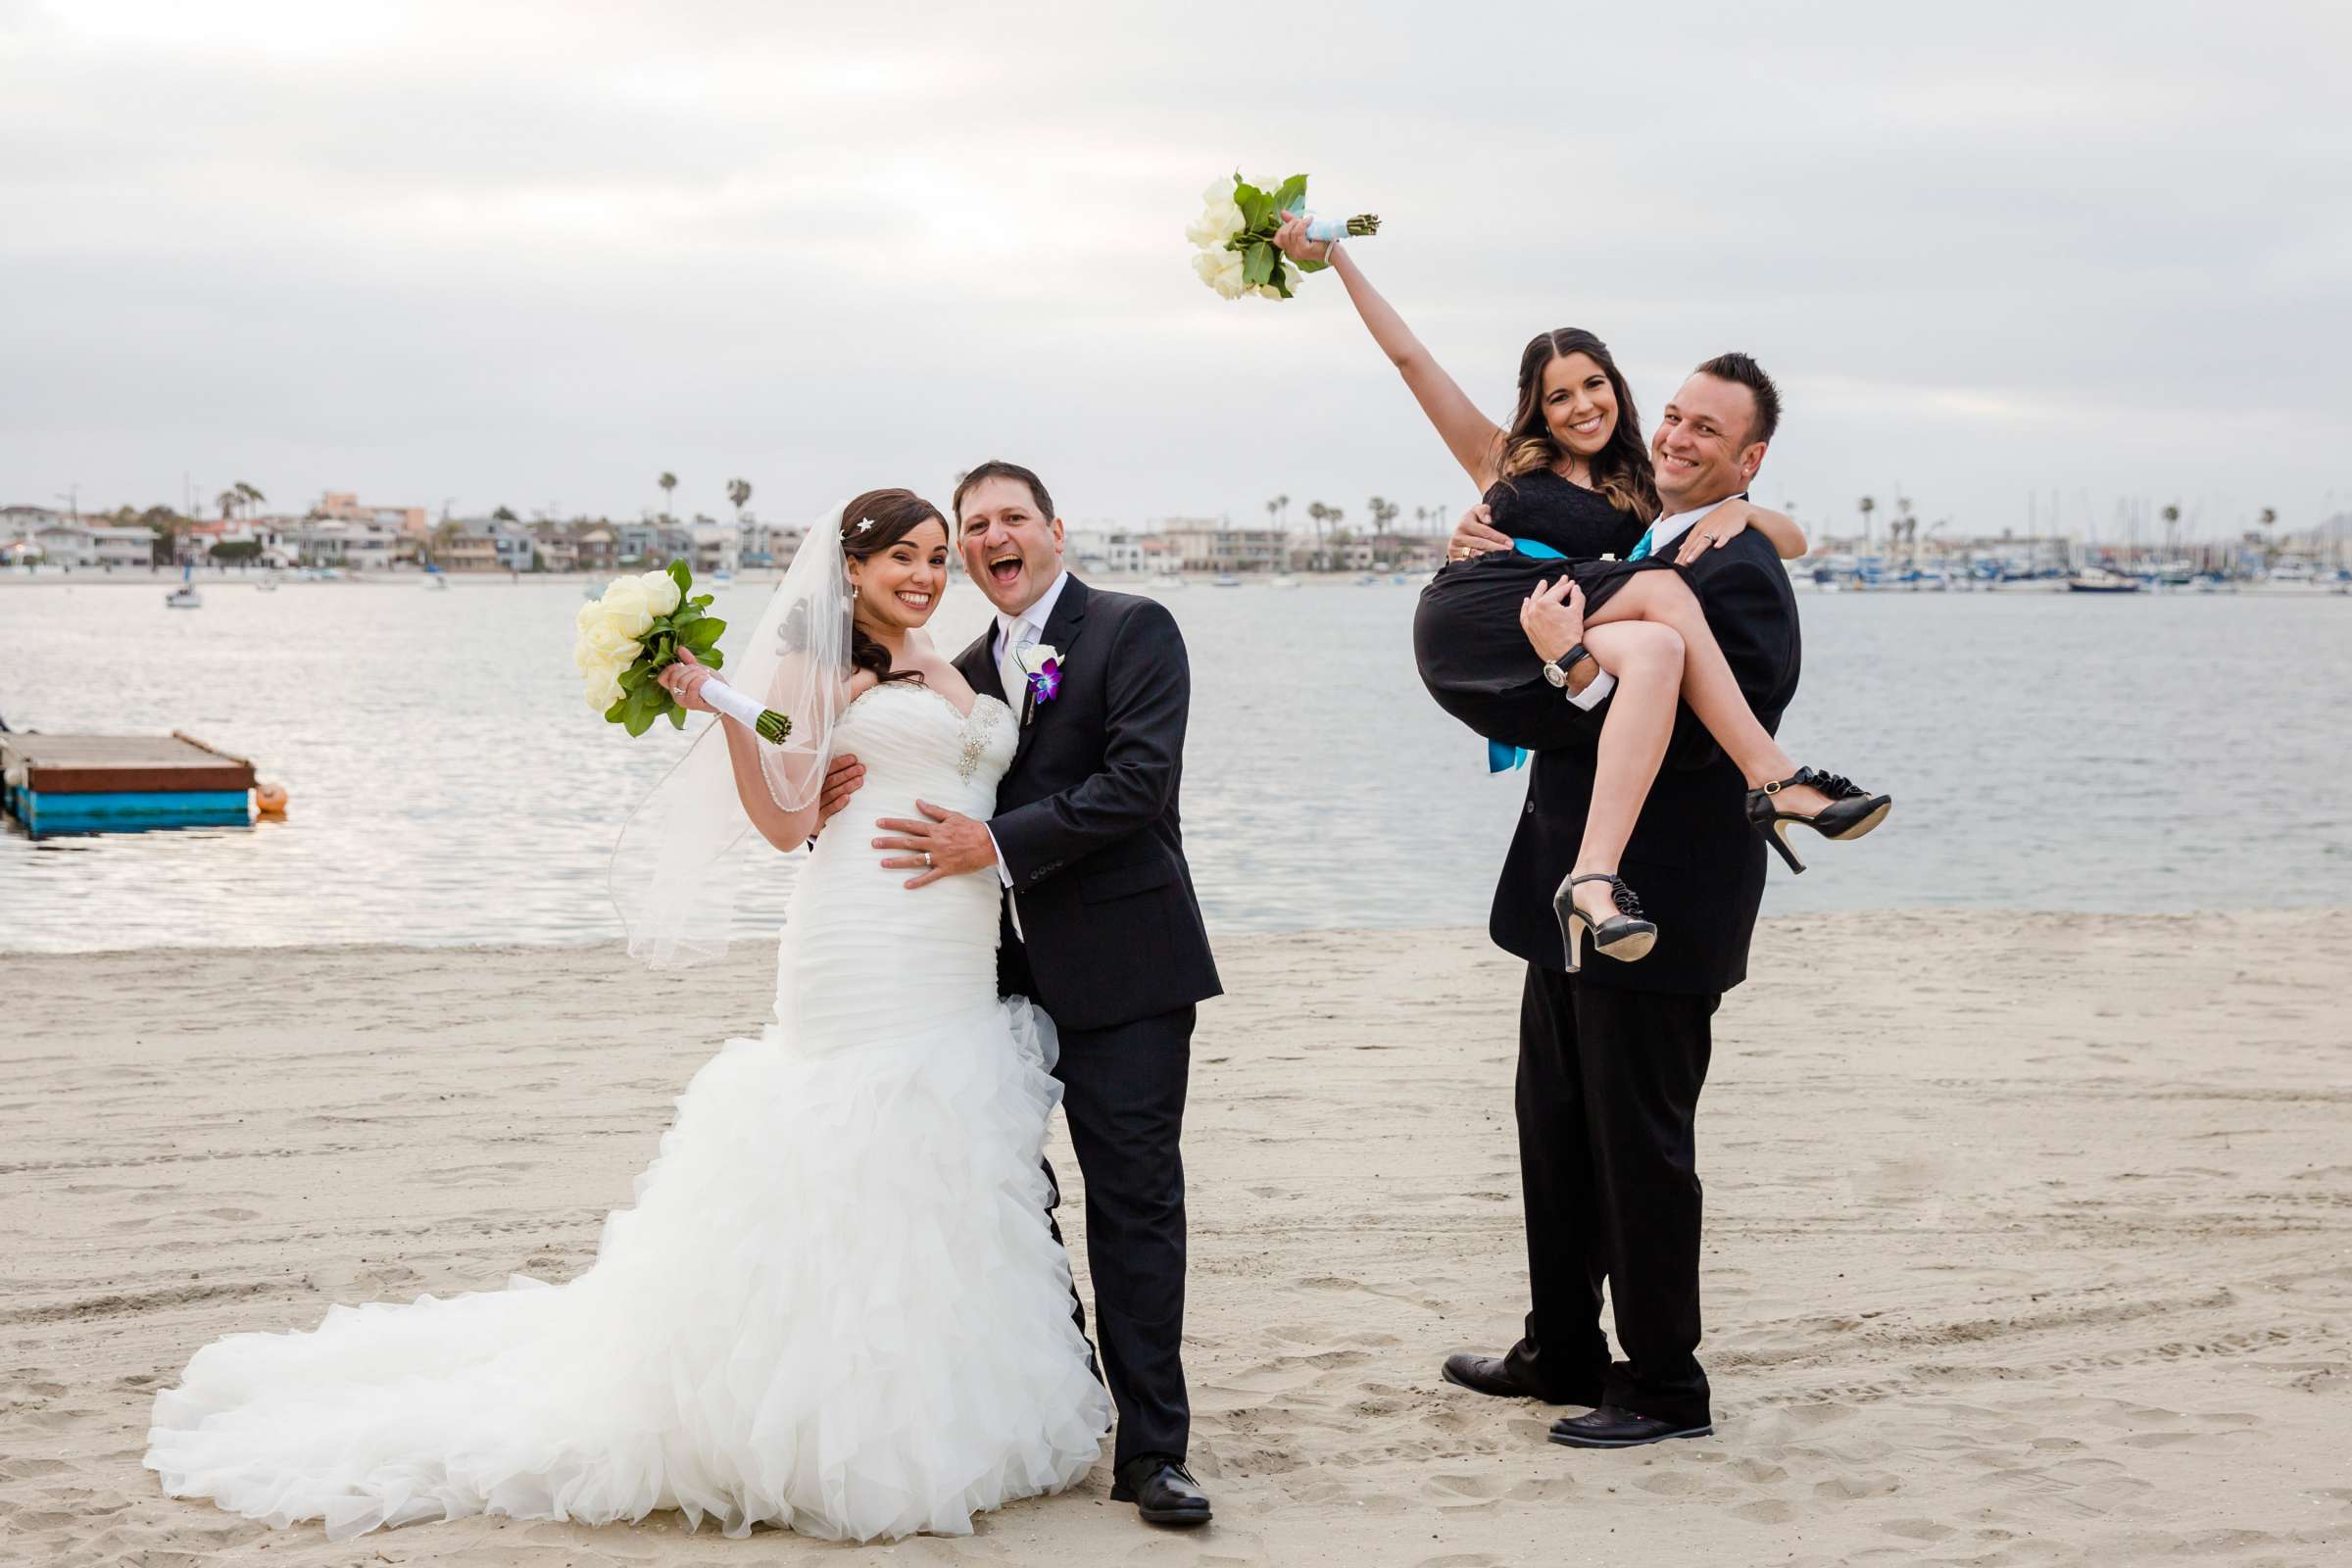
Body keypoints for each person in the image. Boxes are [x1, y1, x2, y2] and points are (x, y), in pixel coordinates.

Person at [145, 489, 1112, 1543]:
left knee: (942, 1158)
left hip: (956, 947)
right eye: (902, 560)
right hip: (866, 932)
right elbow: (785, 819)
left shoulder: (957, 664)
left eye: (936, 556)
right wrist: (723, 709)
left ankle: (947, 1397)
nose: (924, 575)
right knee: (854, 1141)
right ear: (851, 570)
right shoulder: (815, 663)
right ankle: (822, 1421)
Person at [1269, 216, 1887, 965]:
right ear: (1539, 407)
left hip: (1556, 626)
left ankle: (1592, 877)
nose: (1580, 406)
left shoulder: (1645, 487)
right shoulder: (1502, 459)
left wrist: (1742, 506)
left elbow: (1797, 542)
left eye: (1593, 384)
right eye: (1558, 396)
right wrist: (1335, 258)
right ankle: (1775, 778)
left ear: (1618, 390)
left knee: (1659, 647)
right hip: (1478, 614)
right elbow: (1409, 359)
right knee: (1661, 594)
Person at [812, 461, 1221, 1529]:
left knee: (1134, 1201)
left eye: (1009, 521)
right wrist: (828, 801)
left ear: (1054, 530)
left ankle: (1154, 1452)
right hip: (986, 979)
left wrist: (993, 841)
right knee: (1005, 1197)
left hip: (1128, 967)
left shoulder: (1135, 630)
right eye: (972, 528)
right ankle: (1069, 1390)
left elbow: (1138, 785)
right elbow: (896, 784)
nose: (990, 541)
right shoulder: (948, 669)